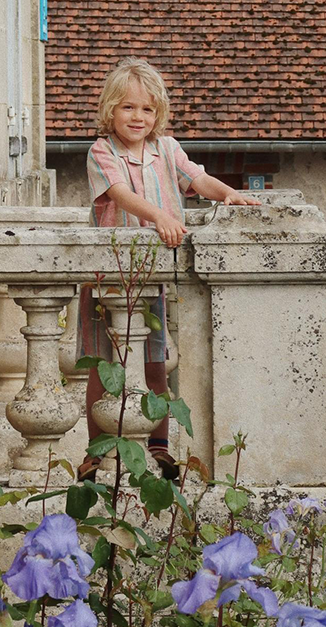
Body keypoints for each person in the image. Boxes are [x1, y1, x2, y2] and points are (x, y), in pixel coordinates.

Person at [77, 57, 261, 482]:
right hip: (110, 274)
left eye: (146, 109)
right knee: (103, 365)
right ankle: (95, 451)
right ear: (110, 110)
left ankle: (159, 445)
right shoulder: (102, 151)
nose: (137, 117)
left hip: (152, 278)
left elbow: (197, 180)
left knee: (155, 359)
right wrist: (160, 215)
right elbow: (120, 195)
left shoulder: (167, 149)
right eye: (127, 107)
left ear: (157, 113)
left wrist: (229, 195)